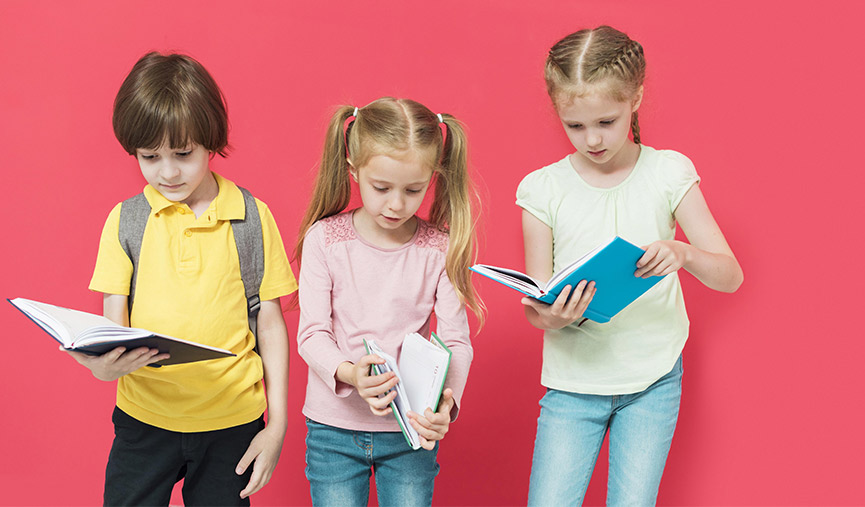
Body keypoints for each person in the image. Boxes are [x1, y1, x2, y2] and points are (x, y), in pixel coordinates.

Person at [517, 26, 744, 505]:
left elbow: (730, 275)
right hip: (573, 383)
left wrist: (682, 253)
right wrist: (553, 314)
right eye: (575, 125)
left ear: (636, 98)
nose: (592, 139)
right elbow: (536, 306)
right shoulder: (542, 189)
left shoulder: (668, 172)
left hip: (653, 378)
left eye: (607, 121)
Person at [67, 51, 297, 506]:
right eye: (149, 157)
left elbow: (269, 323)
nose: (167, 172)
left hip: (232, 422)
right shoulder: (126, 221)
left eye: (183, 154)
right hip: (145, 418)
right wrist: (99, 364)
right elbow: (115, 326)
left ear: (211, 141)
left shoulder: (251, 218)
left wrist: (278, 424)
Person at [295, 97, 483, 506]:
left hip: (410, 432)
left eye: (413, 190)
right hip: (333, 431)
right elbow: (311, 334)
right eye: (381, 188)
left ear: (431, 179)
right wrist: (350, 372)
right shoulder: (325, 241)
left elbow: (456, 341)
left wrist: (443, 408)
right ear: (353, 171)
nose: (396, 204)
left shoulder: (439, 248)